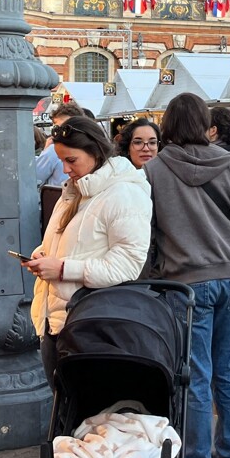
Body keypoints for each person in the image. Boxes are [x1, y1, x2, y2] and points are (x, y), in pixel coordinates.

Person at [144, 93, 230, 458]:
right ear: (204, 124)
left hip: (185, 283)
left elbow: (148, 234)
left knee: (195, 376)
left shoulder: (156, 170)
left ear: (168, 126)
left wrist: (148, 279)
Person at [25, 116, 152, 384]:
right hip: (59, 319)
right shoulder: (76, 189)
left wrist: (61, 269)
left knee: (81, 412)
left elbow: (127, 264)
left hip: (91, 326)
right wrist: (43, 253)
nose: (65, 168)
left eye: (71, 160)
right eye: (61, 160)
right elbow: (71, 241)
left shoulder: (123, 194)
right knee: (64, 408)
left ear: (94, 152)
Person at [34, 102, 85, 188]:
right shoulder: (89, 146)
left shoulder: (52, 150)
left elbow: (34, 178)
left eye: (66, 128)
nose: (66, 170)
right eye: (56, 128)